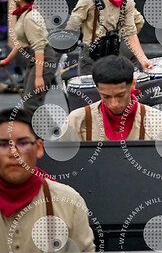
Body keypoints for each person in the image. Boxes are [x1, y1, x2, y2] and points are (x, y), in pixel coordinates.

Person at [0, 107, 95, 252]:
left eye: (23, 143)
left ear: (39, 148)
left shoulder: (69, 202)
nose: (13, 153)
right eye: (3, 144)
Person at [68, 0, 152, 75]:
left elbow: (131, 34)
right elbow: (71, 27)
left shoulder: (127, 0)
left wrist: (143, 59)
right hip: (91, 58)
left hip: (114, 55)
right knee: (91, 88)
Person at [66, 56, 162, 141]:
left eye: (120, 95)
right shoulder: (77, 121)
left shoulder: (156, 120)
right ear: (97, 89)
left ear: (133, 85)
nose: (114, 104)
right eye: (106, 96)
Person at [0, 0, 57, 116]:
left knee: (31, 104)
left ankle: (37, 130)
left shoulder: (30, 17)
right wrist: (7, 60)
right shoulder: (26, 14)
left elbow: (39, 47)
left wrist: (39, 77)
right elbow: (21, 42)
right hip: (35, 60)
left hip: (41, 59)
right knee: (30, 101)